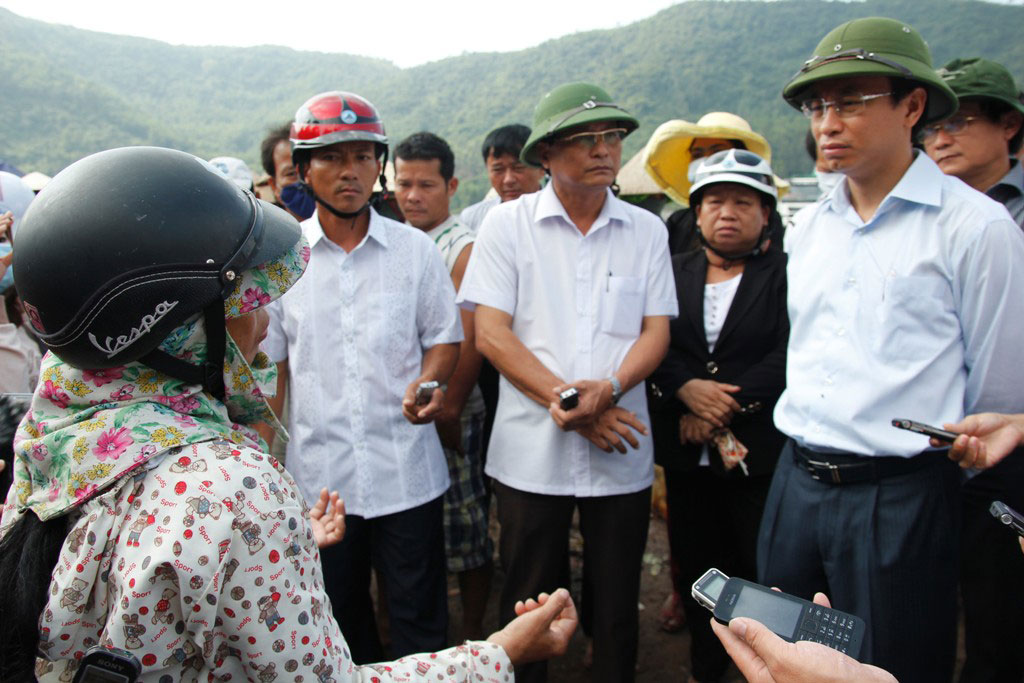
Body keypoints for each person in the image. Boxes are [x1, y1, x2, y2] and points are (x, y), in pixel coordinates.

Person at [0, 145, 579, 682]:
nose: (264, 326)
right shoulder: (231, 491)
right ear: (179, 329)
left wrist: (262, 545)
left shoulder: (53, 432)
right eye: (247, 301)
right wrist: (499, 652)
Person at [760, 17, 1024, 683]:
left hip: (898, 495)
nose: (828, 121)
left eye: (851, 101)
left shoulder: (974, 227)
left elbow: (997, 397)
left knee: (891, 665)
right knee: (775, 652)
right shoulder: (811, 225)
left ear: (912, 106)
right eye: (818, 105)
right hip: (795, 481)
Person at [457, 81, 677, 682]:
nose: (604, 149)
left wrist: (608, 385)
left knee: (614, 601)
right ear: (546, 155)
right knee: (529, 599)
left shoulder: (646, 230)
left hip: (620, 446)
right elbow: (492, 334)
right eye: (585, 139)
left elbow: (655, 333)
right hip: (533, 450)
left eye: (612, 136)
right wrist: (575, 399)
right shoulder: (508, 226)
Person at [263, 91, 461, 663]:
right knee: (335, 621)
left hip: (407, 474)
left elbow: (444, 338)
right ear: (303, 169)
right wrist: (267, 464)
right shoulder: (284, 258)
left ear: (380, 165)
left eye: (363, 156)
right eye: (331, 157)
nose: (350, 171)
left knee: (420, 620)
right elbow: (274, 367)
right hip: (321, 484)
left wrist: (430, 385)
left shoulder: (414, 251)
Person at [647, 149, 789, 683]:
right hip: (685, 453)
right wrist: (685, 390)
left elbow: (787, 351)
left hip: (758, 451)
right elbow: (654, 339)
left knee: (760, 565)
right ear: (697, 213)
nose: (727, 211)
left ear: (765, 213)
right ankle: (705, 668)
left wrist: (720, 407)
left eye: (742, 201)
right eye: (714, 201)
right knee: (697, 563)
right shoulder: (670, 270)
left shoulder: (785, 274)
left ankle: (766, 667)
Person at [919, 56, 1024, 683]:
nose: (943, 137)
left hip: (1011, 445)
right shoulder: (920, 214)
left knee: (999, 614)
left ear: (1008, 125)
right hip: (932, 446)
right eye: (933, 126)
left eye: (960, 121)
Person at [393, 131, 494, 641]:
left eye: (426, 184)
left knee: (466, 526)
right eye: (404, 183)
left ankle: (474, 632)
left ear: (451, 185)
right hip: (408, 410)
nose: (413, 195)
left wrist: (450, 409)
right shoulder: (398, 239)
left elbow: (469, 341)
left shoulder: (461, 246)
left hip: (451, 410)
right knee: (419, 531)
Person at [644, 112, 785, 255]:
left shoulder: (769, 223)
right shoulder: (679, 222)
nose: (706, 160)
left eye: (718, 152)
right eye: (697, 154)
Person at [923, 57, 1024, 227]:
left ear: (1009, 125)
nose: (940, 142)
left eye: (957, 123)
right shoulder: (914, 212)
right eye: (929, 129)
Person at [459, 124, 545, 233]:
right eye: (498, 170)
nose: (508, 180)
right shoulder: (472, 219)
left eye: (518, 168)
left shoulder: (561, 216)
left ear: (542, 168)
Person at [260, 122, 307, 220]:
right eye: (292, 174)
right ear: (274, 185)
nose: (307, 180)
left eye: (310, 170)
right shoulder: (269, 235)